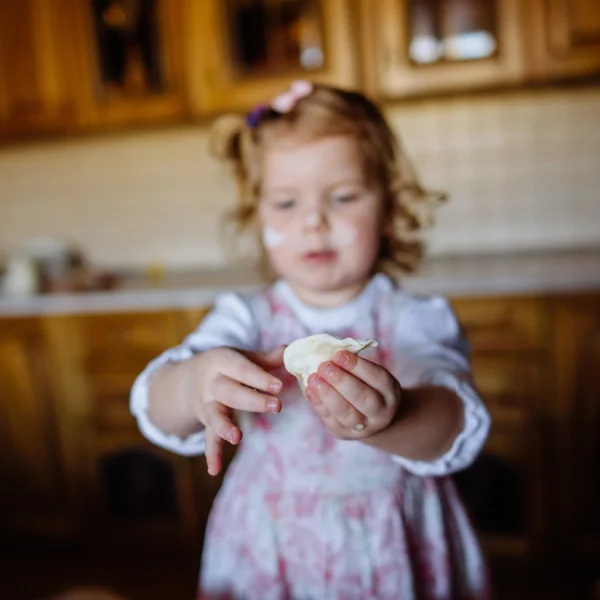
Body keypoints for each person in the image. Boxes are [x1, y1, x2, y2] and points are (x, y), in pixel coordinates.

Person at [130, 81, 491, 600]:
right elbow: (153, 402)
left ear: (388, 209)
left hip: (391, 542)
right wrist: (193, 383)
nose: (313, 221)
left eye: (342, 197)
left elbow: (457, 424)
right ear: (257, 216)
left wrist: (395, 418)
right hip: (269, 545)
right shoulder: (243, 320)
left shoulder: (413, 320)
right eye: (285, 202)